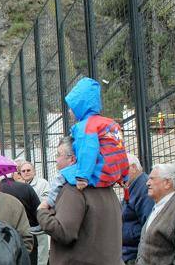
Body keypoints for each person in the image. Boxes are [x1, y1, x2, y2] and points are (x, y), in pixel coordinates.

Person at [37, 136, 126, 265]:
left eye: (58, 155)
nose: (56, 161)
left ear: (73, 158)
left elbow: (65, 232)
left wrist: (42, 213)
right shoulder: (106, 187)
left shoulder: (73, 190)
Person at [45, 77, 129, 207]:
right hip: (114, 174)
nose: (69, 111)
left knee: (61, 176)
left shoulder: (86, 125)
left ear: (80, 106)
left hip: (99, 173)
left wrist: (82, 177)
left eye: (71, 108)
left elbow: (88, 150)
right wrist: (124, 178)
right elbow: (121, 152)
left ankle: (47, 205)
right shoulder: (111, 123)